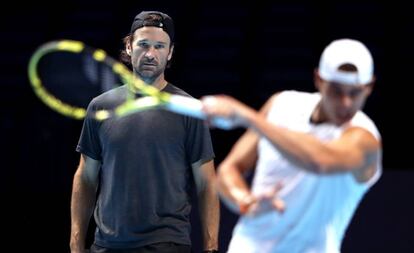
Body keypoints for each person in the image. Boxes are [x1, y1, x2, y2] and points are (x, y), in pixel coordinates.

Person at [201, 38, 382, 253]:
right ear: (318, 79)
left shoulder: (365, 139)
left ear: (369, 87)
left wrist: (245, 115)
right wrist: (247, 202)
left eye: (355, 92)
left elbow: (319, 161)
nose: (346, 102)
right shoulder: (282, 104)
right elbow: (228, 170)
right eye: (336, 90)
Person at [70, 11, 220, 253]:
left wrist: (211, 247)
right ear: (129, 47)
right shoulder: (100, 107)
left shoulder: (189, 109)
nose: (151, 54)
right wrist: (76, 242)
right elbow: (86, 177)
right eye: (143, 45)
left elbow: (206, 183)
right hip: (107, 245)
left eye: (160, 46)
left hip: (167, 244)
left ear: (170, 52)